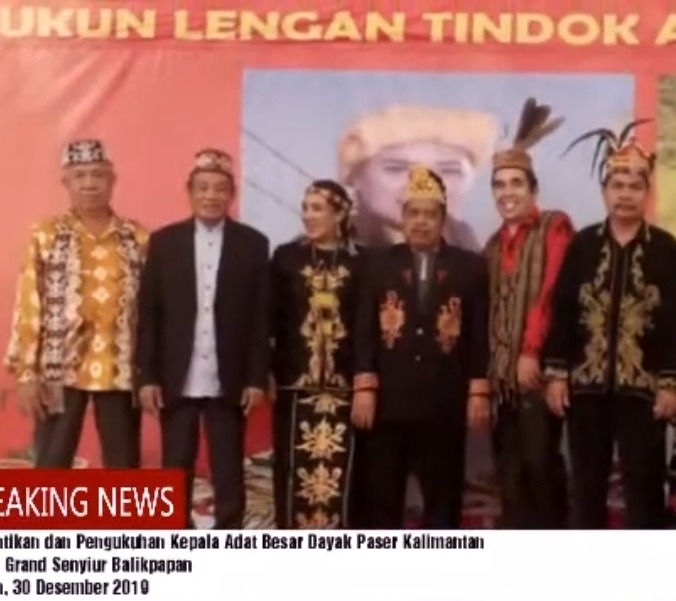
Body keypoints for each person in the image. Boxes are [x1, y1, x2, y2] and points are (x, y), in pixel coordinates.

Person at [544, 121, 676, 529]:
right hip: (586, 389)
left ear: (647, 194)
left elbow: (674, 320)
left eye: (635, 186)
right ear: (604, 192)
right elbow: (562, 310)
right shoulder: (583, 245)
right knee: (586, 487)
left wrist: (670, 383)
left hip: (644, 390)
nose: (625, 194)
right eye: (617, 185)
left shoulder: (666, 249)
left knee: (644, 488)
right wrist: (556, 374)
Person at [135, 149, 270, 529]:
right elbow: (149, 315)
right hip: (176, 374)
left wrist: (256, 378)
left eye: (220, 188)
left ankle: (229, 538)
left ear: (232, 194)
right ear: (190, 191)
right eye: (203, 187)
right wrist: (147, 377)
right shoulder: (164, 242)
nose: (211, 195)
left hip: (229, 376)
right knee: (175, 464)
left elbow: (261, 318)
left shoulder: (253, 244)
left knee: (228, 467)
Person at [352, 164, 491, 528]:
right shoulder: (378, 264)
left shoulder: (469, 267)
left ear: (443, 219)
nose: (421, 222)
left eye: (430, 214)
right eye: (414, 213)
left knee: (443, 500)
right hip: (388, 403)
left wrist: (478, 389)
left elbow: (478, 330)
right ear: (403, 217)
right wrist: (364, 384)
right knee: (383, 499)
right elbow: (364, 328)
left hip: (444, 401)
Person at [4, 139, 147, 468]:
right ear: (66, 182)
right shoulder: (46, 235)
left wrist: (151, 372)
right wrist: (27, 374)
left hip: (120, 365)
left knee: (124, 463)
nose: (89, 184)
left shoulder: (137, 238)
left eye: (98, 174)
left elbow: (152, 312)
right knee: (52, 462)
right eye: (80, 175)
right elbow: (29, 305)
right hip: (58, 368)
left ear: (112, 179)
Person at [484, 98, 573, 528]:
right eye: (500, 185)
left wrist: (531, 350)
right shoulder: (491, 246)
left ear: (533, 189)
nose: (508, 193)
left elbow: (553, 292)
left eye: (516, 183)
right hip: (502, 383)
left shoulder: (554, 226)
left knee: (541, 468)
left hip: (537, 374)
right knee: (510, 477)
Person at [270, 180, 361, 529]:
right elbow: (270, 318)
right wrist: (267, 369)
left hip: (346, 388)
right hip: (295, 384)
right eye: (305, 208)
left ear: (340, 214)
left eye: (318, 208)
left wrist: (365, 379)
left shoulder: (360, 263)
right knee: (292, 470)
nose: (308, 216)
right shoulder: (286, 258)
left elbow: (365, 326)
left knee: (343, 475)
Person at [339, 105, 500, 251]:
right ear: (356, 176)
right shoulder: (340, 248)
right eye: (397, 169)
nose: (424, 183)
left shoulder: (468, 244)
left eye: (448, 170)